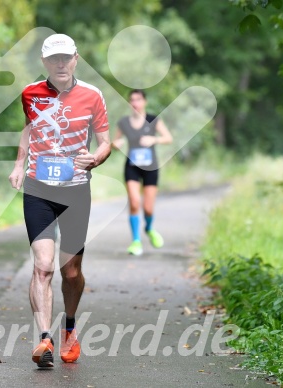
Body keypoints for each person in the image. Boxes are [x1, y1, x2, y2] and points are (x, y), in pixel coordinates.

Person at [9, 33, 111, 368]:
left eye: (66, 58)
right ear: (45, 62)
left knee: (70, 272)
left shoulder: (93, 96)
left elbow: (106, 141)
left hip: (75, 190)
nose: (61, 63)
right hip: (39, 188)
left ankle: (69, 327)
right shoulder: (30, 93)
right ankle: (44, 340)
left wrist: (96, 158)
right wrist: (18, 165)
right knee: (42, 265)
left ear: (76, 59)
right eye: (54, 59)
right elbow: (28, 128)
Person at [112, 89, 172, 256]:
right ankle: (136, 241)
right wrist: (116, 145)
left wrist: (155, 139)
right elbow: (114, 143)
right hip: (132, 166)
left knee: (148, 208)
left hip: (150, 167)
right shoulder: (123, 122)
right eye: (132, 100)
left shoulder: (153, 120)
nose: (135, 103)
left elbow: (168, 138)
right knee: (134, 201)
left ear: (144, 101)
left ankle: (149, 228)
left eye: (138, 99)